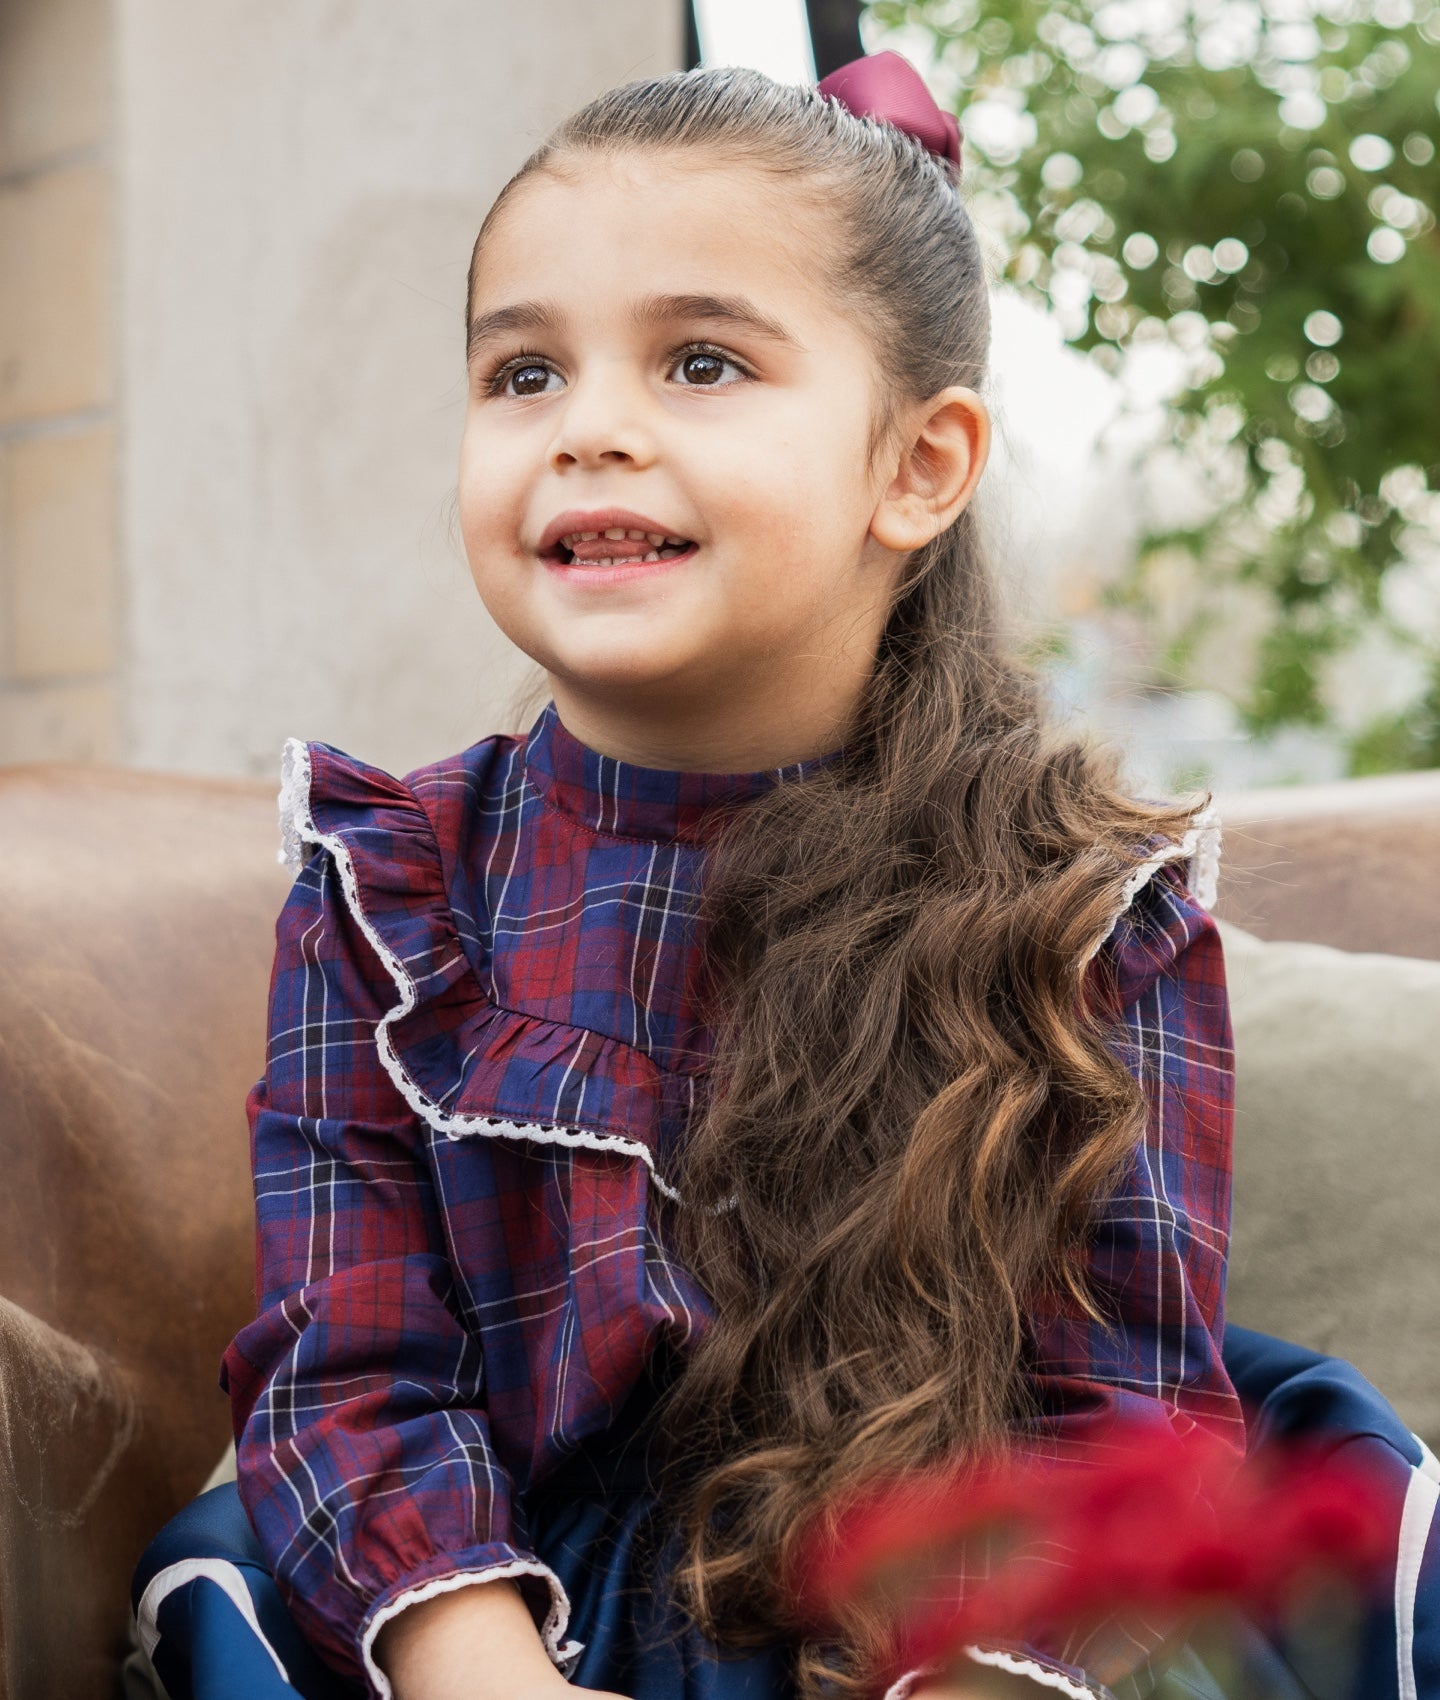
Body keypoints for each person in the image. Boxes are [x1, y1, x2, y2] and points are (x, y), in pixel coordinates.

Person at [131, 53, 1439, 1700]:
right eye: (521, 374)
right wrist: (494, 1677)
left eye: (698, 362)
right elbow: (350, 1369)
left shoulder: (1090, 908)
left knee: (1314, 1523)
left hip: (960, 1590)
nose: (590, 428)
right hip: (512, 1591)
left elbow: (1105, 1406)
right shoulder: (388, 890)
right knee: (227, 1562)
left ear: (919, 465)